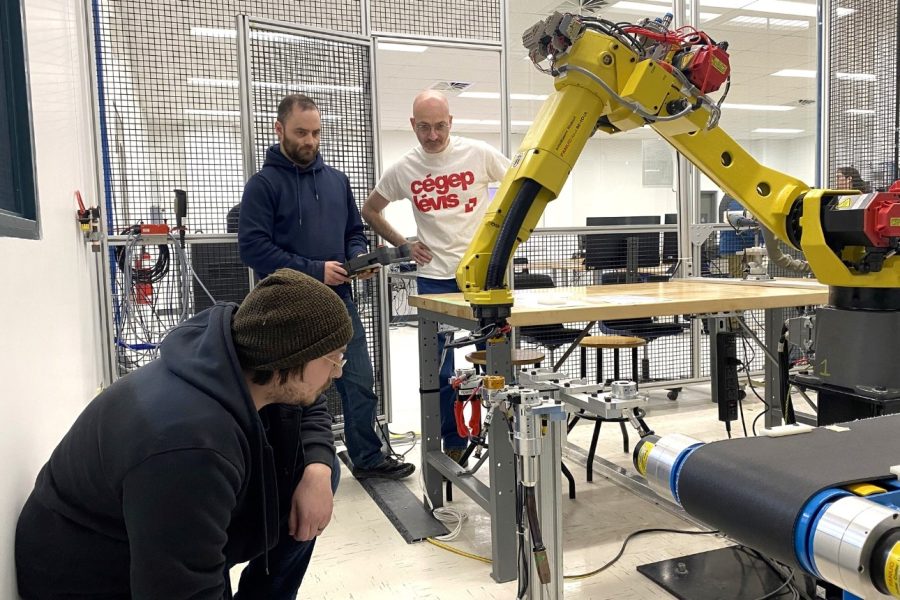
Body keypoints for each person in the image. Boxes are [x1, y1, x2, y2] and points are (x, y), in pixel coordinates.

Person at [16, 269, 349, 599]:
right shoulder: (191, 446)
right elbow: (178, 592)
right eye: (333, 360)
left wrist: (318, 469)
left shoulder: (237, 360)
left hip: (151, 542)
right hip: (90, 578)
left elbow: (309, 406)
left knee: (318, 466)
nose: (338, 372)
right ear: (292, 360)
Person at [238, 93, 413, 481]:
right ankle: (287, 467)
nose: (310, 141)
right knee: (289, 391)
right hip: (287, 309)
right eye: (301, 132)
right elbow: (252, 248)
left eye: (316, 133)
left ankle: (367, 458)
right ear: (279, 129)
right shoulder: (263, 185)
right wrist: (315, 270)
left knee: (358, 379)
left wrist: (357, 259)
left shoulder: (337, 181)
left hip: (339, 302)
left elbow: (353, 231)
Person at [361, 90, 510, 462]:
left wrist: (499, 234)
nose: (432, 136)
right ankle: (453, 442)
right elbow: (371, 209)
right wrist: (405, 245)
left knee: (493, 362)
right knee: (439, 371)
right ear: (413, 125)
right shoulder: (405, 168)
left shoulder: (478, 153)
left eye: (440, 126)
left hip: (481, 277)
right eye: (424, 127)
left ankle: (501, 439)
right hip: (433, 279)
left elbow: (519, 186)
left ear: (451, 122)